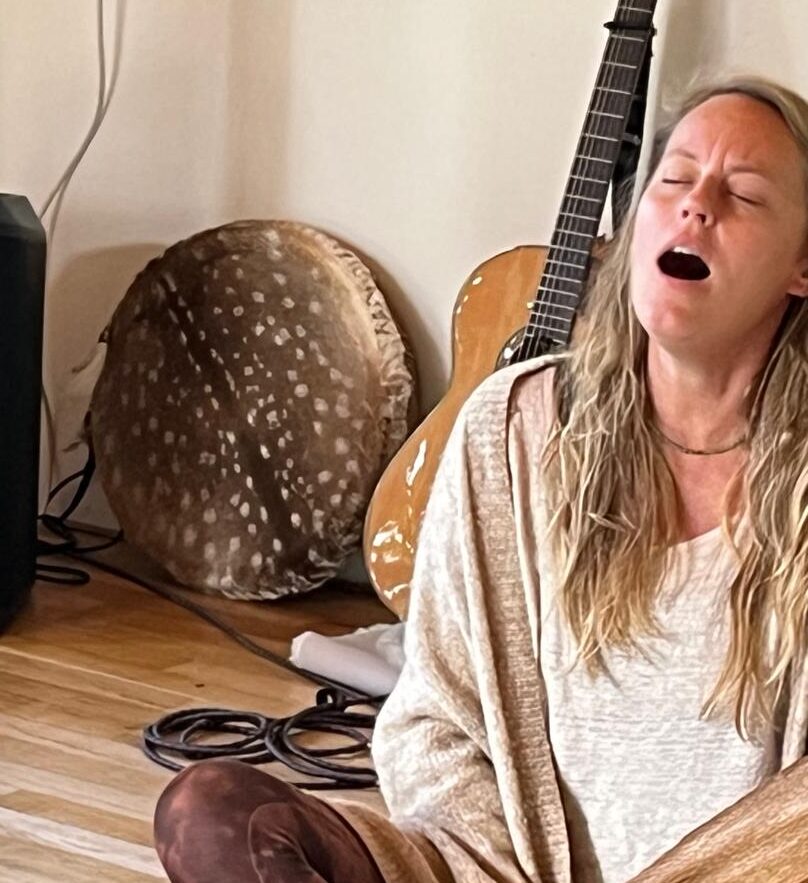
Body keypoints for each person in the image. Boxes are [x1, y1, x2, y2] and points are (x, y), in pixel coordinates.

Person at [152, 75, 808, 882]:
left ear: (802, 264)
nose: (696, 206)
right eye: (674, 178)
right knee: (210, 811)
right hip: (500, 870)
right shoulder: (513, 428)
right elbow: (434, 718)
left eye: (744, 194)